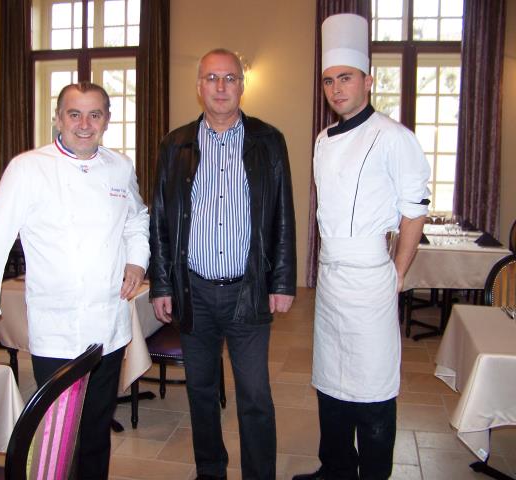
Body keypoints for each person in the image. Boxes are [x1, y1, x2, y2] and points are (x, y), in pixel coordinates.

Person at [0, 82, 150, 480]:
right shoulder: (28, 168)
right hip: (56, 331)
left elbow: (137, 218)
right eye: (74, 114)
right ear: (58, 118)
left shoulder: (119, 166)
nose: (84, 124)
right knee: (57, 434)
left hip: (108, 328)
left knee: (97, 430)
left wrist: (137, 260)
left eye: (95, 114)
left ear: (107, 120)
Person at [292, 14, 430, 480]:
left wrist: (399, 272)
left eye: (345, 78)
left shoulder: (394, 137)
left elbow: (414, 211)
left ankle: (373, 473)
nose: (336, 89)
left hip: (372, 274)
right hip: (332, 277)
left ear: (368, 81)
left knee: (372, 386)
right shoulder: (321, 140)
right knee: (329, 380)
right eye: (329, 80)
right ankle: (334, 467)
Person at [149, 48, 297, 480]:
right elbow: (160, 218)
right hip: (193, 292)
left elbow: (283, 214)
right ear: (198, 87)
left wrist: (283, 280)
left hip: (247, 292)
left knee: (254, 395)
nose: (220, 86)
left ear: (241, 86)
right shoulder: (174, 144)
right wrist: (162, 285)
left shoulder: (268, 141)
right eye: (211, 78)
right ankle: (210, 470)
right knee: (200, 391)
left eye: (229, 78)